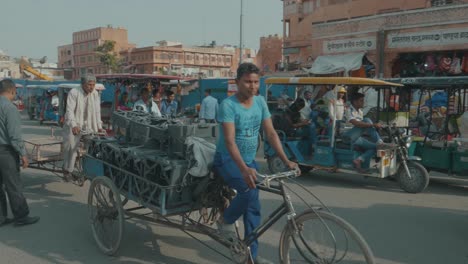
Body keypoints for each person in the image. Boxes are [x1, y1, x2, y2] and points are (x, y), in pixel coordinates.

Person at [213, 63, 298, 264]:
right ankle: (225, 221)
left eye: (255, 82)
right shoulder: (228, 105)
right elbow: (230, 141)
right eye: (248, 82)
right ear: (237, 83)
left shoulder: (260, 102)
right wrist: (243, 169)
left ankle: (251, 256)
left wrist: (286, 161)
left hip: (250, 160)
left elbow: (270, 133)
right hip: (227, 159)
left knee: (253, 209)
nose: (252, 86)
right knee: (249, 191)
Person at [0, 79, 40, 226]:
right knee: (13, 185)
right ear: (12, 91)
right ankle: (21, 216)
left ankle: (1, 218)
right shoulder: (10, 108)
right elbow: (14, 136)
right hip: (5, 152)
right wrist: (23, 155)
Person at [62, 75, 104, 182]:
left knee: (92, 146)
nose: (92, 87)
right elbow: (70, 110)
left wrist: (99, 126)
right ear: (83, 84)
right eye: (89, 85)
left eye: (93, 85)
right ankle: (67, 170)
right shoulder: (74, 92)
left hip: (88, 125)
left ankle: (86, 169)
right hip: (73, 125)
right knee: (71, 147)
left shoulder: (94, 93)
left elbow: (97, 111)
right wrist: (74, 125)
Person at [343, 93, 391, 172]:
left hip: (358, 138)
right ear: (355, 102)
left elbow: (364, 127)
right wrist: (372, 125)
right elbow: (356, 123)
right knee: (366, 120)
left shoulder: (360, 111)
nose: (363, 103)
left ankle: (359, 160)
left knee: (375, 147)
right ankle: (379, 141)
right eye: (361, 101)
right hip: (348, 136)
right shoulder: (349, 110)